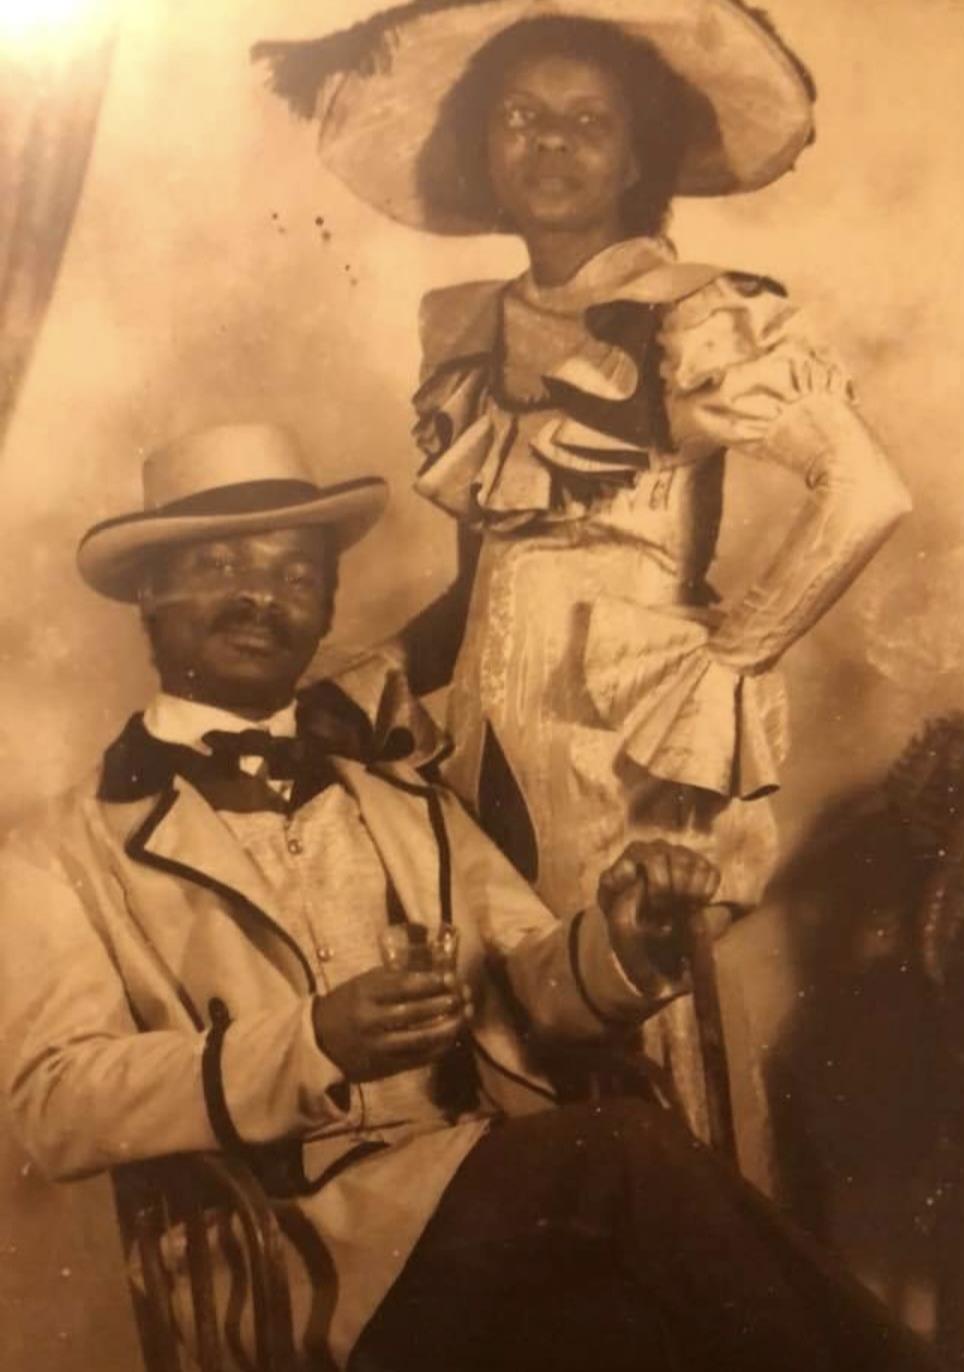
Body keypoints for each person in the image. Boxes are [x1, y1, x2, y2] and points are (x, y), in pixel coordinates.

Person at [0, 423, 936, 1372]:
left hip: (474, 1223)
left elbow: (527, 974)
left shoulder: (403, 798)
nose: (259, 596)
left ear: (326, 607)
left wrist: (623, 939)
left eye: (294, 574)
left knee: (639, 1334)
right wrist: (312, 1042)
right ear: (151, 591)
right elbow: (54, 1103)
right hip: (279, 1258)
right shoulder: (54, 849)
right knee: (620, 1153)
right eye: (220, 564)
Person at [255, 0, 913, 1151]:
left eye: (586, 122)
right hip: (486, 754)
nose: (550, 146)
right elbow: (491, 581)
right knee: (508, 1037)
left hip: (628, 756)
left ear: (638, 153)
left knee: (641, 1038)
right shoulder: (468, 329)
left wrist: (723, 666)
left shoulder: (696, 315)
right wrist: (366, 680)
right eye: (521, 118)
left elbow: (865, 492)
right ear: (483, 144)